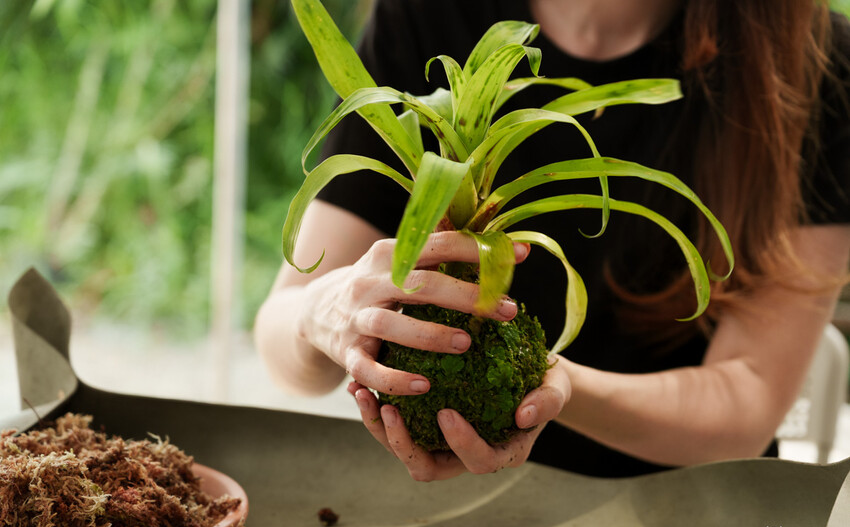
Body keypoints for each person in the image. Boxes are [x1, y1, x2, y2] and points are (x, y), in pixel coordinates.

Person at [255, 0, 850, 480]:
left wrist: (551, 383)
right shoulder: (424, 15)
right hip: (440, 514)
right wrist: (323, 313)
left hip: (679, 509)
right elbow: (284, 337)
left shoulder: (814, 61)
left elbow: (745, 405)